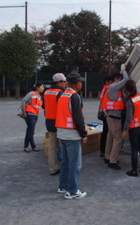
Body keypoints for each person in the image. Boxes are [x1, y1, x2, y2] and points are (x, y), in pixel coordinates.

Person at [55, 71, 87, 199]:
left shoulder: (62, 95)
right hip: (72, 135)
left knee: (65, 162)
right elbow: (78, 118)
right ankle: (72, 191)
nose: (81, 84)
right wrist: (83, 134)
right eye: (80, 82)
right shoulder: (75, 96)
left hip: (61, 133)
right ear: (76, 84)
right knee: (75, 164)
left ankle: (63, 186)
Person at [122, 80, 140, 177]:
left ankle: (134, 171)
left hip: (135, 128)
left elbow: (128, 117)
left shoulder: (130, 102)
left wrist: (124, 129)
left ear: (126, 90)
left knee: (134, 149)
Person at [103, 64, 129, 170]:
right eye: (120, 80)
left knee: (110, 136)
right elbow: (127, 79)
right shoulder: (114, 86)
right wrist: (123, 69)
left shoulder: (113, 88)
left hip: (110, 115)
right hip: (114, 117)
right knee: (118, 138)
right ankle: (112, 161)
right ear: (117, 79)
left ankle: (107, 156)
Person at [43, 73, 67, 175]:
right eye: (64, 81)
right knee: (63, 146)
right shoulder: (60, 93)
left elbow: (43, 106)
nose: (65, 83)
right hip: (59, 122)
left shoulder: (46, 92)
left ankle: (53, 168)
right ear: (58, 82)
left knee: (52, 147)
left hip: (49, 121)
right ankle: (64, 166)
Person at [21, 83, 44, 153]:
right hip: (30, 115)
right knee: (30, 130)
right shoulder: (31, 93)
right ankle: (27, 146)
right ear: (37, 87)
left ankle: (31, 146)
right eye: (42, 87)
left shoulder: (40, 96)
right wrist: (24, 112)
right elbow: (23, 101)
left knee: (30, 130)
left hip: (35, 115)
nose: (43, 88)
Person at [98, 74, 113, 157]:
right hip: (107, 113)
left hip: (103, 112)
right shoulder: (108, 89)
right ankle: (105, 150)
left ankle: (102, 150)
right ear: (107, 81)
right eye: (110, 81)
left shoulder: (103, 88)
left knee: (105, 132)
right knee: (107, 132)